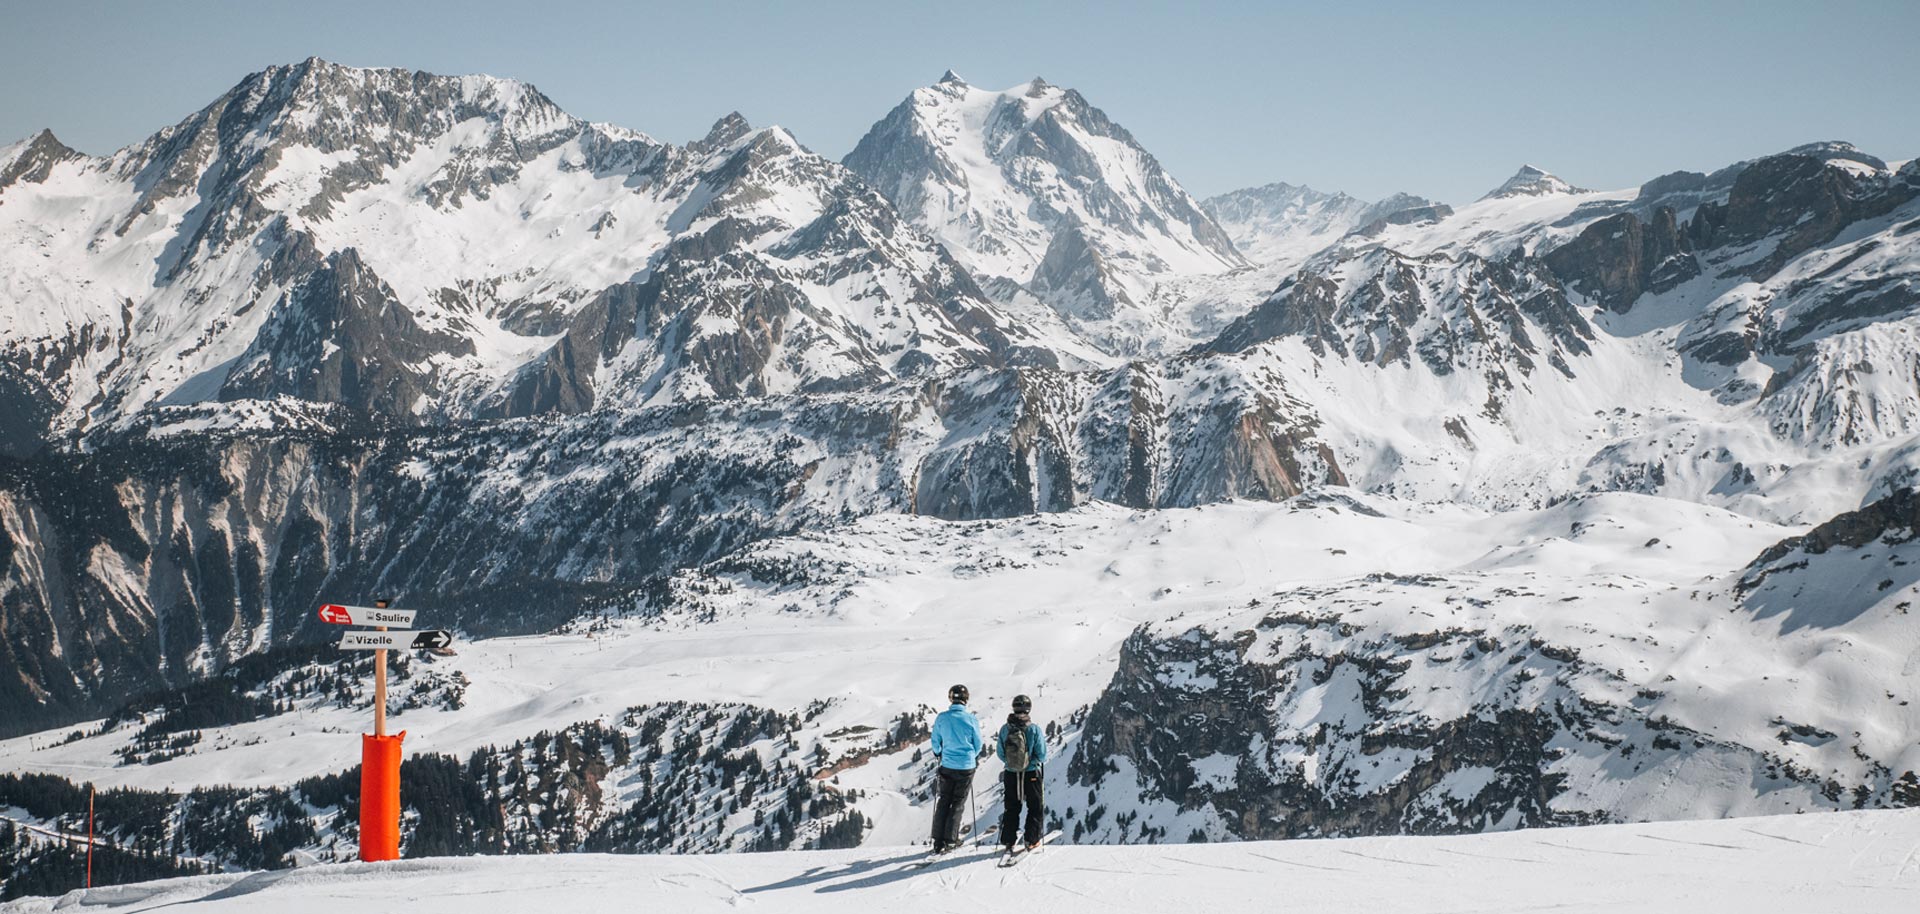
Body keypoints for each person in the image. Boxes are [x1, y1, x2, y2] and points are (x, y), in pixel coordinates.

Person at [928, 683, 982, 853]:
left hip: (947, 765)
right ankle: (951, 840)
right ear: (966, 699)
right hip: (966, 766)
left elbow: (935, 741)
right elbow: (978, 744)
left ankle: (938, 841)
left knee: (944, 800)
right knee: (958, 803)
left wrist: (939, 753)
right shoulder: (971, 719)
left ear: (951, 698)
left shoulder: (942, 718)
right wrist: (971, 756)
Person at [996, 693, 1047, 852]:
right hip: (1031, 774)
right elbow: (1042, 754)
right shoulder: (1034, 729)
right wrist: (1030, 761)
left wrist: (1011, 763)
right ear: (1028, 708)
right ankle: (1031, 839)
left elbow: (1000, 752)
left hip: (1011, 774)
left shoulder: (1005, 729)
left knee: (1011, 807)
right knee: (1035, 807)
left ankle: (1008, 840)